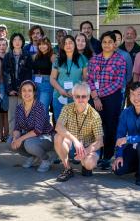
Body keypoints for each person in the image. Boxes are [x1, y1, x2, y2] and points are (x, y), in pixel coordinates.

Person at [88, 31, 126, 170]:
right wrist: (95, 96)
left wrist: (99, 94)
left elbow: (118, 82)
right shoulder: (94, 59)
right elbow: (90, 79)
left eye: (110, 42)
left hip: (112, 98)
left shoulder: (120, 60)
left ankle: (108, 156)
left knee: (110, 127)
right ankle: (97, 153)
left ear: (115, 44)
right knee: (97, 127)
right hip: (95, 98)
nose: (107, 44)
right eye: (104, 42)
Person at [54, 82, 104, 182]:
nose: (80, 100)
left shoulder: (94, 115)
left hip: (88, 148)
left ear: (89, 97)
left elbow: (100, 141)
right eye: (77, 96)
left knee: (89, 164)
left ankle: (84, 163)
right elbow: (58, 127)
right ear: (73, 97)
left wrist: (84, 152)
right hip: (73, 145)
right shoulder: (67, 108)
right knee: (57, 137)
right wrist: (75, 140)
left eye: (84, 96)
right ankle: (67, 168)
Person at [10, 80, 54, 172]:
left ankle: (46, 159)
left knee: (28, 143)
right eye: (24, 90)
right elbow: (17, 127)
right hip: (31, 138)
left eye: (29, 90)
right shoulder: (19, 108)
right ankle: (32, 157)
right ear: (20, 92)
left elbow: (38, 130)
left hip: (46, 137)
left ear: (34, 93)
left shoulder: (39, 106)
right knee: (10, 141)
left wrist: (20, 139)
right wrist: (15, 139)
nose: (26, 93)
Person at [50, 35, 88, 121]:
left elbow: (86, 78)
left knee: (75, 124)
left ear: (74, 44)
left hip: (77, 96)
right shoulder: (57, 60)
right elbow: (52, 79)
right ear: (63, 46)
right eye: (65, 43)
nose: (68, 45)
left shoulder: (82, 59)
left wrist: (75, 89)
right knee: (60, 123)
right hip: (59, 96)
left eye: (70, 43)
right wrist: (60, 90)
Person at [3, 33, 33, 137]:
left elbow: (29, 74)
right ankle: (12, 137)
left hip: (23, 91)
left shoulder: (27, 55)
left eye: (19, 39)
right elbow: (6, 74)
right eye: (15, 39)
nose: (17, 42)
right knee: (12, 115)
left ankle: (22, 136)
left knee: (24, 114)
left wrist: (23, 90)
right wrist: (10, 89)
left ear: (22, 42)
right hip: (11, 90)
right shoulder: (8, 56)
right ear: (12, 42)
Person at [32, 37, 55, 112]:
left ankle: (43, 124)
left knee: (42, 110)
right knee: (35, 109)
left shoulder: (53, 56)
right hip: (35, 84)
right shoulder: (35, 56)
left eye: (44, 44)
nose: (42, 46)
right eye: (40, 44)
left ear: (48, 45)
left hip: (46, 84)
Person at [0, 38, 9, 142]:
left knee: (6, 111)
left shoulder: (9, 57)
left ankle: (7, 134)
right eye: (0, 45)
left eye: (4, 45)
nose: (2, 47)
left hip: (7, 86)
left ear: (7, 46)